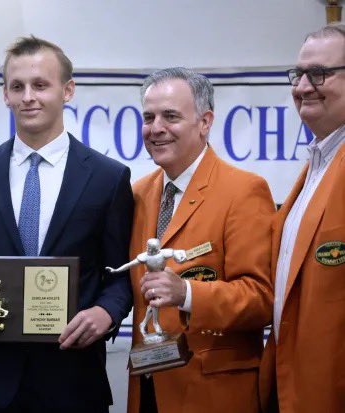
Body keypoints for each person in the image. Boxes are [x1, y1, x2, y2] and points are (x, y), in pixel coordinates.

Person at [0, 35, 134, 413]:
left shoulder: (107, 178)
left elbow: (119, 276)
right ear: (5, 95)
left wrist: (106, 313)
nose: (28, 96)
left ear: (68, 90)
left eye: (40, 85)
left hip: (74, 382)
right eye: (18, 86)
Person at [126, 67, 274, 413]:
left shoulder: (244, 191)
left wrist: (187, 294)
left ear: (205, 122)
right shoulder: (138, 193)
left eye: (171, 116)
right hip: (147, 387)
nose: (156, 128)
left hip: (213, 394)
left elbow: (262, 298)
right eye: (148, 117)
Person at [259, 23, 345, 413]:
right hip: (290, 381)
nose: (303, 87)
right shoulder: (315, 164)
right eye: (299, 75)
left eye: (320, 74)